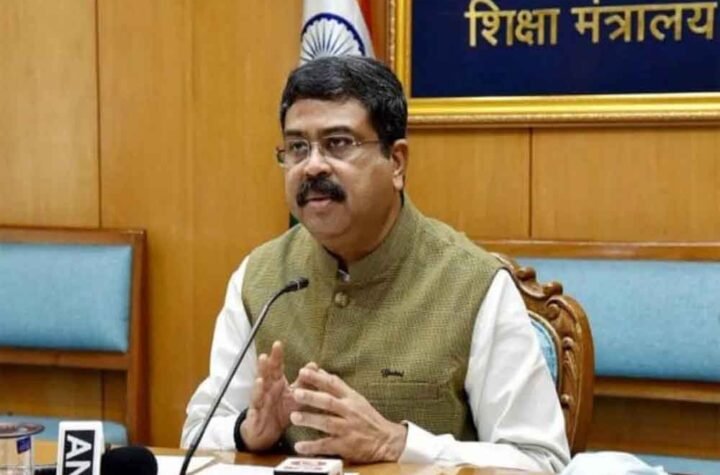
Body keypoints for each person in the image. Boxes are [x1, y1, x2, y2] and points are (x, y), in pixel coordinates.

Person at [181, 55, 570, 473]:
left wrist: (398, 443)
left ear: (396, 162)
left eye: (338, 143)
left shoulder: (473, 285)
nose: (313, 165)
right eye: (297, 147)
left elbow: (540, 460)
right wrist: (247, 431)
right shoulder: (260, 277)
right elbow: (197, 433)